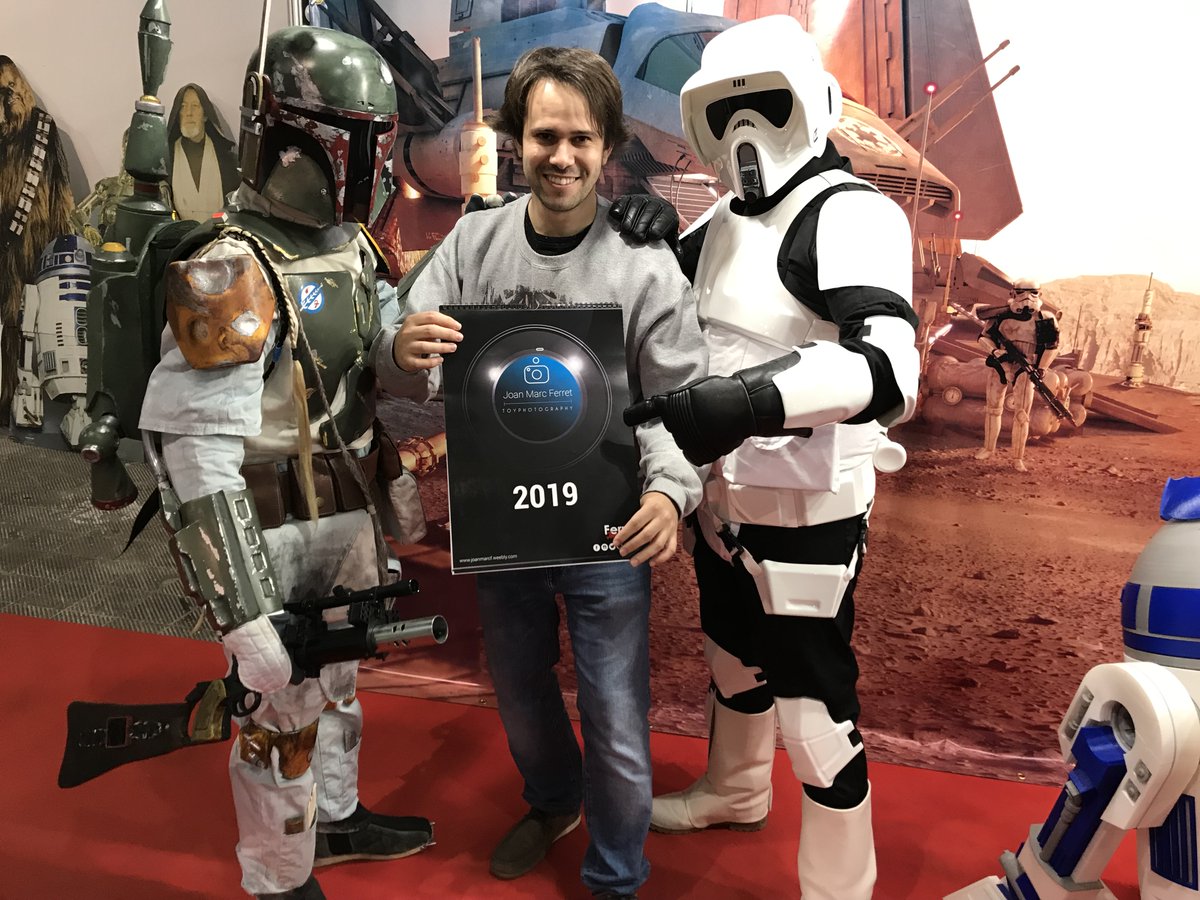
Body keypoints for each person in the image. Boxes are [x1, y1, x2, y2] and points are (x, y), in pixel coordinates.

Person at [387, 46, 708, 900]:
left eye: (580, 138)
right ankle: (555, 799)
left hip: (609, 529)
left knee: (615, 713)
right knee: (520, 691)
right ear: (517, 141)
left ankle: (616, 878)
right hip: (507, 521)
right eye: (543, 137)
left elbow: (679, 400)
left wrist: (670, 492)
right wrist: (401, 344)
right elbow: (403, 331)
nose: (560, 157)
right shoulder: (475, 242)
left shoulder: (643, 265)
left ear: (606, 147)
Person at [618, 16, 919, 900]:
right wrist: (641, 236)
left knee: (815, 712)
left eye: (765, 105)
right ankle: (737, 789)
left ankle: (840, 885)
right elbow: (665, 315)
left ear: (815, 105)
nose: (744, 130)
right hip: (723, 500)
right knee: (731, 660)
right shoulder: (718, 222)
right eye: (724, 111)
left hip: (805, 508)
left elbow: (887, 367)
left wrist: (752, 400)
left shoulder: (851, 213)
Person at [139, 27, 432, 900]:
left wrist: (398, 348)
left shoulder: (353, 247)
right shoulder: (228, 266)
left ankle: (332, 820)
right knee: (279, 717)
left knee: (335, 687)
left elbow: (367, 349)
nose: (374, 164)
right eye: (359, 140)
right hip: (268, 526)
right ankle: (277, 875)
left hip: (345, 510)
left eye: (380, 140)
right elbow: (196, 454)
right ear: (299, 138)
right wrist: (241, 614)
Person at [975, 278, 1060, 472]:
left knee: (1022, 414)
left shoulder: (1044, 318)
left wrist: (1041, 368)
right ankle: (988, 448)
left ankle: (1017, 458)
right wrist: (995, 351)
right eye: (1022, 292)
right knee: (993, 409)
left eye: (1033, 292)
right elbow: (983, 338)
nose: (1027, 297)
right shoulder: (1000, 315)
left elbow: (1052, 346)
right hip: (1000, 364)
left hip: (1026, 367)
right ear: (1013, 294)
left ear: (1040, 294)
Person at [166, 82, 240, 222]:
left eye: (195, 106)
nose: (189, 113)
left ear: (205, 115)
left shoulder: (227, 161)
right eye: (183, 107)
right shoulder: (166, 159)